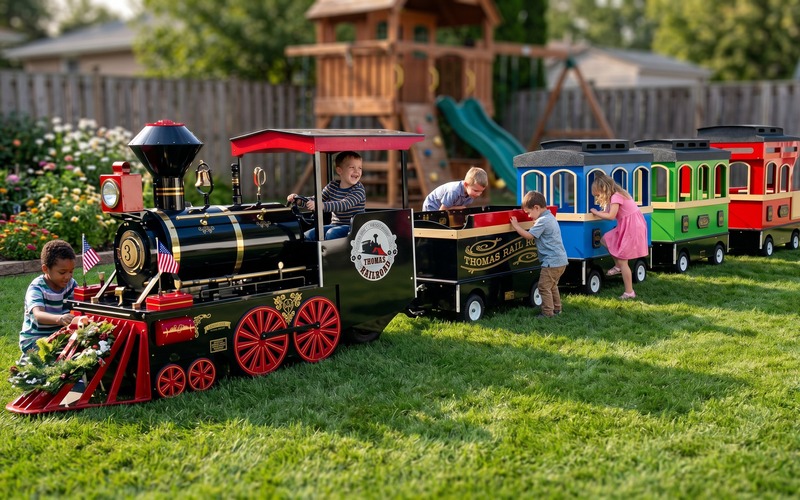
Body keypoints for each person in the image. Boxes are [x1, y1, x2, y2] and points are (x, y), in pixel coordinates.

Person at [589, 172, 649, 300]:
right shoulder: (616, 195)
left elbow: (611, 216)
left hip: (631, 227)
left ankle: (629, 292)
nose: (598, 197)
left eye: (598, 194)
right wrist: (600, 212)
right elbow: (608, 211)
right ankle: (618, 266)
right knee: (606, 239)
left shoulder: (616, 196)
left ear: (604, 189)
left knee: (623, 260)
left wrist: (595, 212)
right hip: (628, 225)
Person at [510, 191, 568, 318]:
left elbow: (529, 236)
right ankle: (557, 309)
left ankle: (547, 313)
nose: (529, 216)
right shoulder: (550, 217)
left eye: (529, 213)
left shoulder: (543, 221)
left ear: (536, 207)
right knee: (552, 286)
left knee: (543, 287)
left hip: (551, 262)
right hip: (561, 260)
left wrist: (516, 226)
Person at [286, 151, 366, 240]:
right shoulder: (332, 186)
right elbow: (317, 200)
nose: (357, 171)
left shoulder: (359, 189)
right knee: (308, 235)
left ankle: (329, 254)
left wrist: (322, 206)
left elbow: (344, 204)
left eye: (360, 168)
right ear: (340, 170)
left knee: (332, 233)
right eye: (352, 167)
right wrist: (299, 200)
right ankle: (312, 254)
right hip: (335, 225)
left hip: (354, 228)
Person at [19, 239, 79, 353]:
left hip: (60, 337)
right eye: (62, 272)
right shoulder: (37, 287)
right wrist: (59, 319)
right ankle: (28, 359)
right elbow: (38, 315)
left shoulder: (71, 285)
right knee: (54, 355)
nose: (68, 276)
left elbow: (79, 306)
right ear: (45, 269)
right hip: (35, 339)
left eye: (71, 271)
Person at [422, 166, 488, 212]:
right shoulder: (454, 191)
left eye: (481, 191)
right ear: (466, 185)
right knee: (435, 226)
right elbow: (442, 211)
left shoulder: (471, 194)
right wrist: (456, 208)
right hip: (432, 206)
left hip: (444, 208)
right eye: (476, 191)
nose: (478, 194)